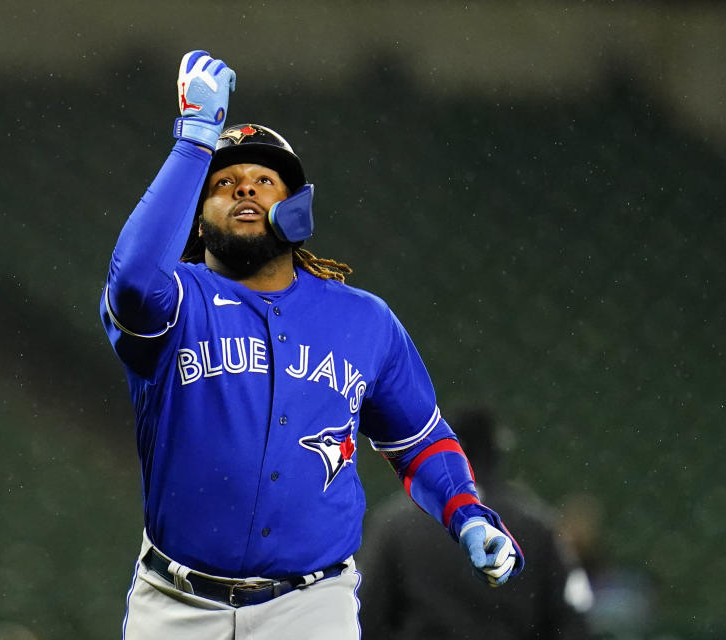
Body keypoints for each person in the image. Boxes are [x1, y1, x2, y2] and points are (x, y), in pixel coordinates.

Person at [99, 50, 524, 640]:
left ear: (295, 209)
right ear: (197, 221)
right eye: (223, 184)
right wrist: (194, 141)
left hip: (309, 607)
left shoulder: (364, 320)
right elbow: (132, 280)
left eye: (264, 181)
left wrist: (467, 512)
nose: (244, 189)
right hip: (176, 606)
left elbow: (421, 441)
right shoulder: (175, 300)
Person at [358, 407, 593, 639]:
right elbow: (571, 621)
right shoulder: (535, 524)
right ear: (495, 451)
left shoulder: (397, 524)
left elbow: (366, 615)